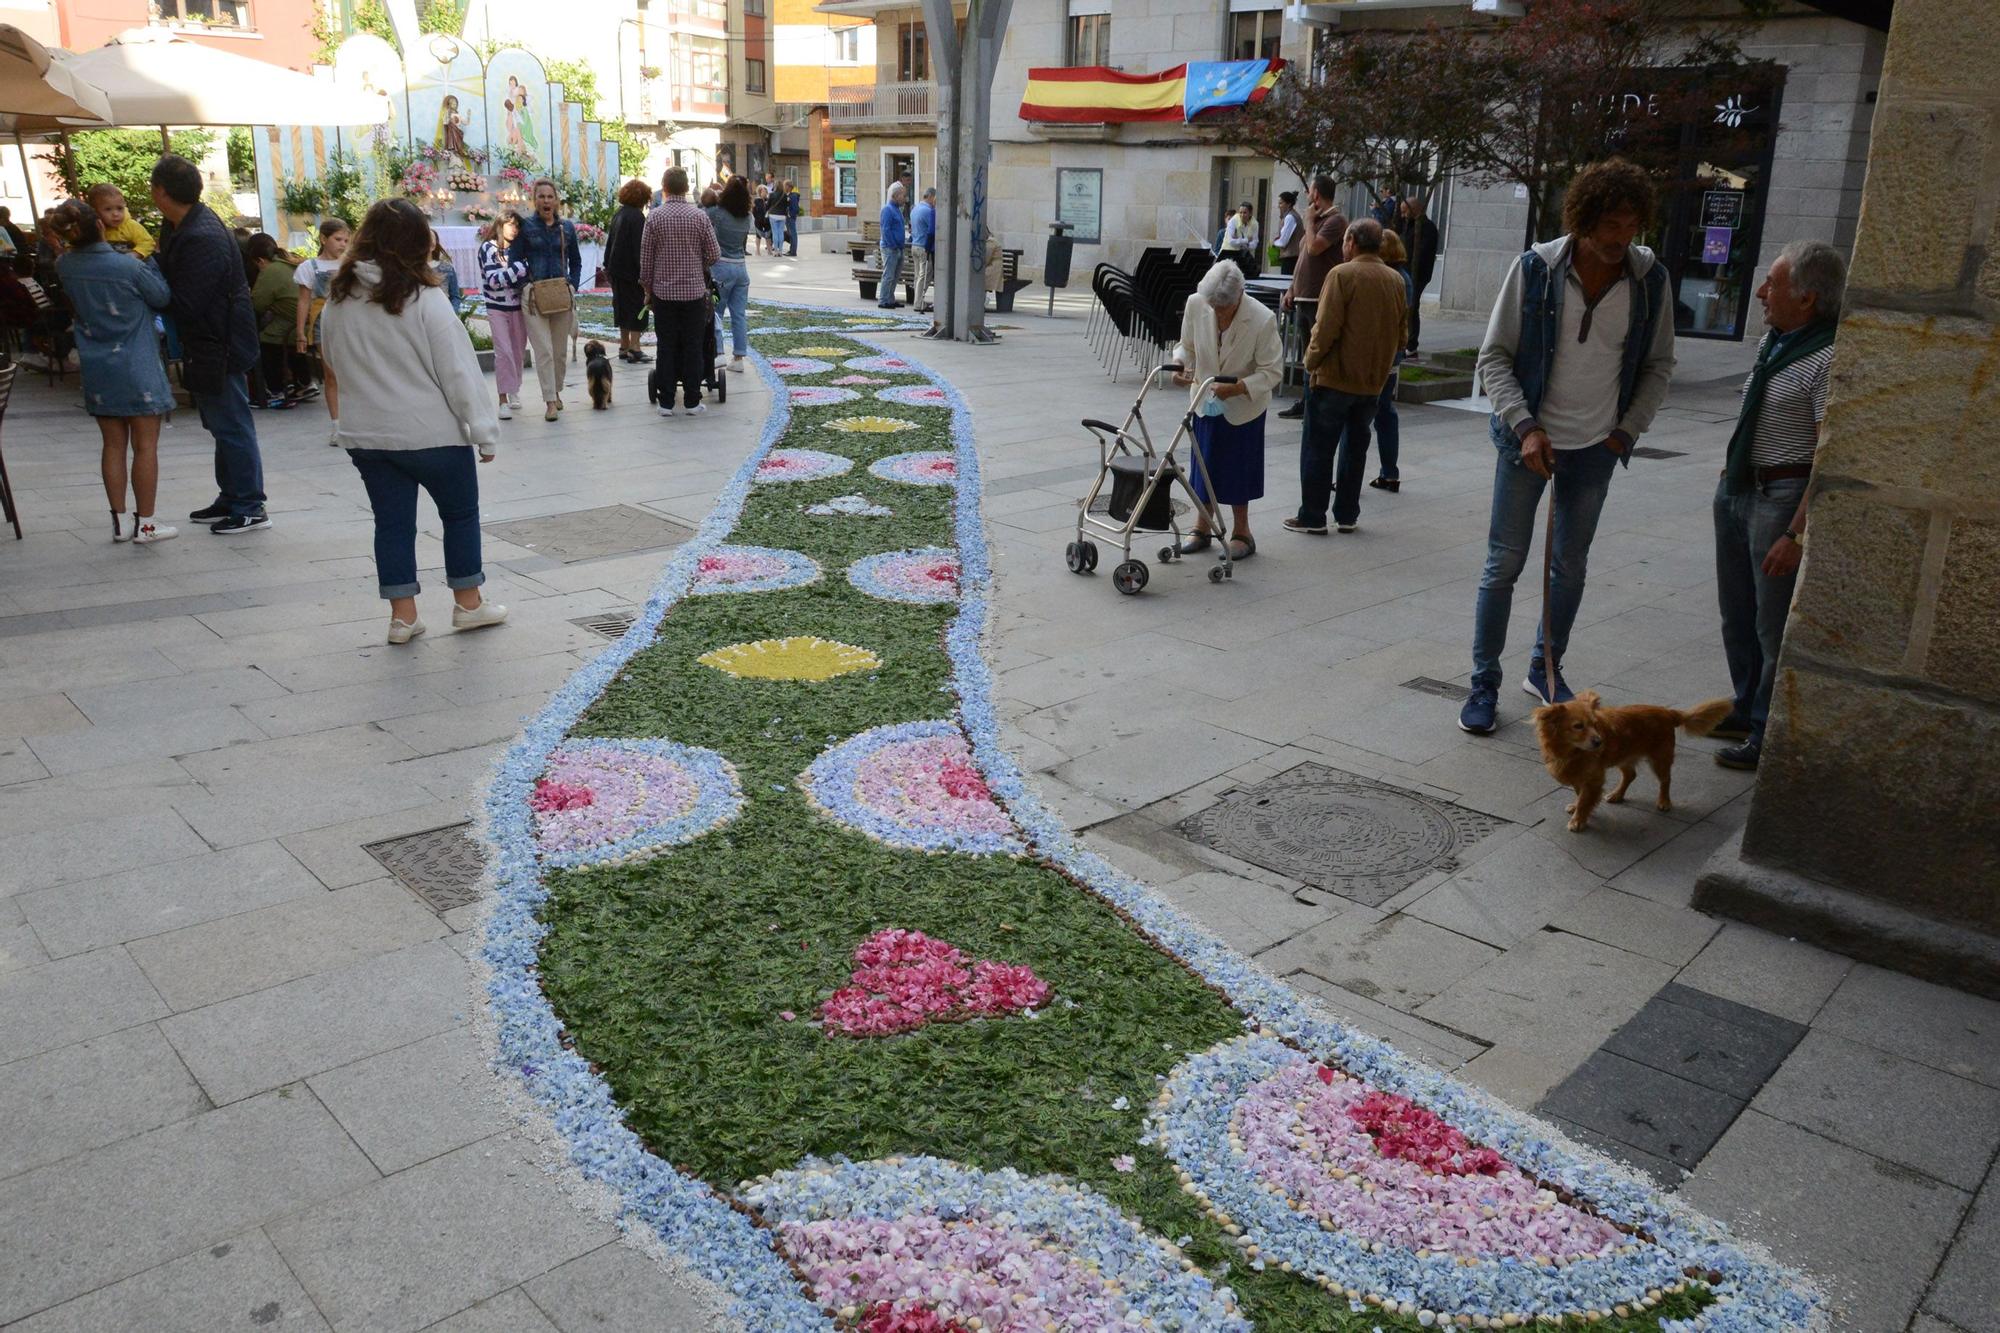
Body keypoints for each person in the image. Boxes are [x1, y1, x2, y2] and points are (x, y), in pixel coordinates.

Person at [1458, 157, 1677, 736]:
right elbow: (1493, 357)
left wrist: (1626, 432)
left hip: (1595, 448)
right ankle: (1484, 683)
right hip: (1525, 442)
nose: (1621, 238)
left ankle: (1545, 669)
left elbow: (1658, 366)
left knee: (1570, 567)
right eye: (1611, 224)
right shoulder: (1535, 269)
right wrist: (1526, 426)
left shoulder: (1650, 280)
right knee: (1502, 564)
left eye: (1632, 225)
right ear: (1583, 219)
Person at [322, 197, 505, 645]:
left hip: (368, 434)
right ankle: (468, 604)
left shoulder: (338, 300)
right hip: (432, 434)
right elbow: (458, 369)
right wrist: (483, 430)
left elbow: (332, 363)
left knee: (392, 524)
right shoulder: (424, 298)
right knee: (459, 515)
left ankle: (402, 617)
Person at [1710, 240, 1846, 771]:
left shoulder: (1827, 356)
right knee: (1735, 614)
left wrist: (1797, 533)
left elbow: (1829, 452)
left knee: (1771, 626)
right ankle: (1744, 705)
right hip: (1740, 492)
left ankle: (1765, 730)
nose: (1762, 292)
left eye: (1773, 283)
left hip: (1779, 499)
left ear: (1807, 297)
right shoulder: (1776, 345)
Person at [152, 153, 268, 535]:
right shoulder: (182, 226)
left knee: (232, 422)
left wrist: (149, 286)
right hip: (208, 339)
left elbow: (188, 299)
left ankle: (250, 504)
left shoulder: (201, 235)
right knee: (219, 423)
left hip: (222, 341)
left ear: (161, 192)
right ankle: (231, 495)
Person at [51, 199, 176, 543]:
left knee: (112, 445)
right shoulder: (128, 267)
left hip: (97, 366)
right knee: (146, 446)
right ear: (102, 226)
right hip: (138, 364)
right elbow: (162, 296)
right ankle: (146, 525)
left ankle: (119, 522)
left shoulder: (66, 266)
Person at [1286, 218, 1405, 538]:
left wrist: (1310, 362)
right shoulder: (1395, 280)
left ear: (1351, 241)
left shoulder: (1342, 274)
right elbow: (1402, 334)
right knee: (1355, 448)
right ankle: (1347, 515)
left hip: (1334, 377)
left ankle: (1312, 516)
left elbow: (1325, 329)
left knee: (1318, 448)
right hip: (1371, 380)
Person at [1171, 260, 1281, 563]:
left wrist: (1239, 387)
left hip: (1243, 406)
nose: (1218, 313)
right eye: (1214, 307)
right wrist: (1179, 364)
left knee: (1238, 468)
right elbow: (1186, 345)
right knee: (1203, 462)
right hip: (1204, 399)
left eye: (1225, 309)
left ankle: (1242, 533)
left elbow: (1272, 372)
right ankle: (1201, 527)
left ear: (1240, 296)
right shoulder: (1197, 303)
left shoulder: (1262, 318)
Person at [640, 165, 720, 417]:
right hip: (694, 293)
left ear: (664, 187)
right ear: (686, 187)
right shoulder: (699, 217)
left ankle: (666, 402)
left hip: (663, 295)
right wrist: (699, 264)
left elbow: (645, 261)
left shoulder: (654, 217)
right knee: (694, 345)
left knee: (666, 346)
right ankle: (692, 401)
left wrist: (648, 289)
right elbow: (715, 253)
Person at [1277, 176, 1347, 420]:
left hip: (1320, 298)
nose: (1307, 195)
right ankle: (1307, 401)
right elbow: (1303, 260)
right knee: (1306, 353)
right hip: (1303, 296)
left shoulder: (1335, 220)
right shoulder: (1315, 220)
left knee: (1316, 353)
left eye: (1310, 190)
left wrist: (1308, 220)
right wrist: (1292, 288)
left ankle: (1316, 402)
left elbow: (1315, 248)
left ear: (1316, 193)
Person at [517, 178, 582, 421]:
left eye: (550, 196)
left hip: (561, 294)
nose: (546, 200)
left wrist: (572, 284)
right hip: (535, 296)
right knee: (543, 351)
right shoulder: (525, 227)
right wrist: (524, 286)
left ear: (556, 200)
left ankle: (556, 390)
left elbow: (575, 260)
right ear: (535, 199)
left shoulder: (567, 228)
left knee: (559, 352)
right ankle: (550, 401)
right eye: (541, 196)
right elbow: (515, 259)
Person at [1369, 228, 1417, 494]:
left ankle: (1345, 476)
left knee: (1360, 415)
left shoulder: (1391, 278)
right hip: (1392, 354)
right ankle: (1389, 473)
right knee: (1384, 411)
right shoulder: (1403, 277)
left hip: (1380, 354)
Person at [294, 218, 349, 443]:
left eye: (346, 240)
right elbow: (304, 301)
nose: (343, 244)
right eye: (338, 239)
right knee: (331, 373)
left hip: (348, 321)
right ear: (324, 239)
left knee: (352, 373)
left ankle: (355, 421)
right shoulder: (309, 267)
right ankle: (337, 425)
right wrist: (300, 331)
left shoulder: (350, 265)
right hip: (322, 321)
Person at [246, 233, 309, 406]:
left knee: (266, 339)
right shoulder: (289, 261)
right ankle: (304, 383)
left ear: (260, 261)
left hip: (294, 322)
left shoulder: (270, 271)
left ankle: (275, 390)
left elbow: (257, 304)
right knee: (288, 335)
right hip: (306, 319)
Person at [479, 211, 530, 421]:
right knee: (504, 353)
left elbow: (527, 273)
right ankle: (502, 400)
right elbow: (492, 280)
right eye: (510, 225)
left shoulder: (520, 249)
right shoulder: (488, 248)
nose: (514, 229)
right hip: (497, 307)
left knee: (518, 351)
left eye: (517, 225)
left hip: (518, 307)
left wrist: (518, 270)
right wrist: (518, 269)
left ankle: (514, 389)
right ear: (500, 226)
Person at [705, 174, 754, 372]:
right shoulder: (747, 216)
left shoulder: (717, 213)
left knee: (715, 312)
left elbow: (703, 215)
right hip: (741, 269)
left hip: (720, 270)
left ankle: (718, 353)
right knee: (739, 314)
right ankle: (739, 357)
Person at [604, 178, 652, 364]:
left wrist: (607, 266)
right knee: (637, 308)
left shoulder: (619, 214)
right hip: (631, 272)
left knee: (622, 308)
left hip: (616, 270)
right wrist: (644, 274)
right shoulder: (637, 217)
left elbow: (610, 243)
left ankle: (624, 345)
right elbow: (639, 248)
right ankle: (635, 348)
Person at [1395, 197, 1441, 355]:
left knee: (1412, 306)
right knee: (1406, 305)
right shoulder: (1409, 225)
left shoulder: (1427, 227)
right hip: (1406, 270)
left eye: (1404, 211)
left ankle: (1411, 344)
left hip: (1418, 274)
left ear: (1414, 209)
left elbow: (1423, 253)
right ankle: (1405, 341)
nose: (1402, 215)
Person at [86, 184, 155, 259]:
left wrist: (135, 254)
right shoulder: (93, 229)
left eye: (119, 208)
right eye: (108, 209)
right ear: (95, 211)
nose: (116, 214)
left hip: (137, 263)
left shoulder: (131, 225)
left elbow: (148, 242)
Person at [877, 181, 908, 309]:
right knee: (889, 275)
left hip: (898, 247)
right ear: (895, 196)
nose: (904, 198)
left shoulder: (897, 210)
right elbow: (886, 230)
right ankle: (883, 300)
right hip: (891, 248)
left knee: (895, 276)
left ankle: (890, 298)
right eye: (902, 195)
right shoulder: (887, 210)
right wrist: (893, 245)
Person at [912, 186, 937, 313]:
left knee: (918, 275)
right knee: (925, 275)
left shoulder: (915, 209)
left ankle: (916, 300)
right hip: (923, 247)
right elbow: (932, 230)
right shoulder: (928, 211)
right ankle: (919, 302)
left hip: (914, 245)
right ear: (931, 196)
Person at [1219, 202, 1259, 279]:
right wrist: (1246, 240)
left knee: (1251, 273)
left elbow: (1255, 243)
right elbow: (1231, 241)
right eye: (1240, 212)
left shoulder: (1255, 224)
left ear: (1250, 213)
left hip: (1242, 253)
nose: (1242, 215)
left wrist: (1241, 242)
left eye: (1245, 213)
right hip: (1228, 252)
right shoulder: (1233, 221)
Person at [430, 237, 462, 313]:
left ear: (434, 244)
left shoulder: (447, 268)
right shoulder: (413, 270)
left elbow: (455, 296)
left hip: (444, 314)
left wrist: (451, 314)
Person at [1274, 191, 1301, 277]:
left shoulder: (1290, 217)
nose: (1279, 206)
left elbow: (1283, 242)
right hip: (1292, 257)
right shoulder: (1291, 215)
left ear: (1288, 204)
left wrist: (1274, 243)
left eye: (1281, 203)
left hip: (1290, 258)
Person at [766, 180, 788, 257]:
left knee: (775, 233)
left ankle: (775, 251)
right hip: (782, 216)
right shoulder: (785, 195)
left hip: (773, 215)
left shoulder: (771, 195)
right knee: (781, 233)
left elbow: (768, 205)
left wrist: (766, 211)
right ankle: (780, 251)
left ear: (775, 186)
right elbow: (786, 205)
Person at [782, 179, 800, 257]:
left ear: (788, 186)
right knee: (791, 233)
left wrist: (790, 214)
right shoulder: (788, 195)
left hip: (791, 218)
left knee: (793, 234)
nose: (784, 187)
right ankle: (791, 250)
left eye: (785, 185)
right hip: (789, 218)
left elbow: (796, 208)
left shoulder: (793, 196)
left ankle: (793, 252)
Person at [752, 183, 771, 256]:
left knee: (768, 236)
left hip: (767, 220)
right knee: (758, 235)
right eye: (764, 191)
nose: (766, 193)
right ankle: (757, 251)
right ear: (760, 192)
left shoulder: (768, 200)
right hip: (759, 220)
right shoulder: (757, 200)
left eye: (766, 191)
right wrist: (757, 217)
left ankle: (769, 250)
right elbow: (754, 211)